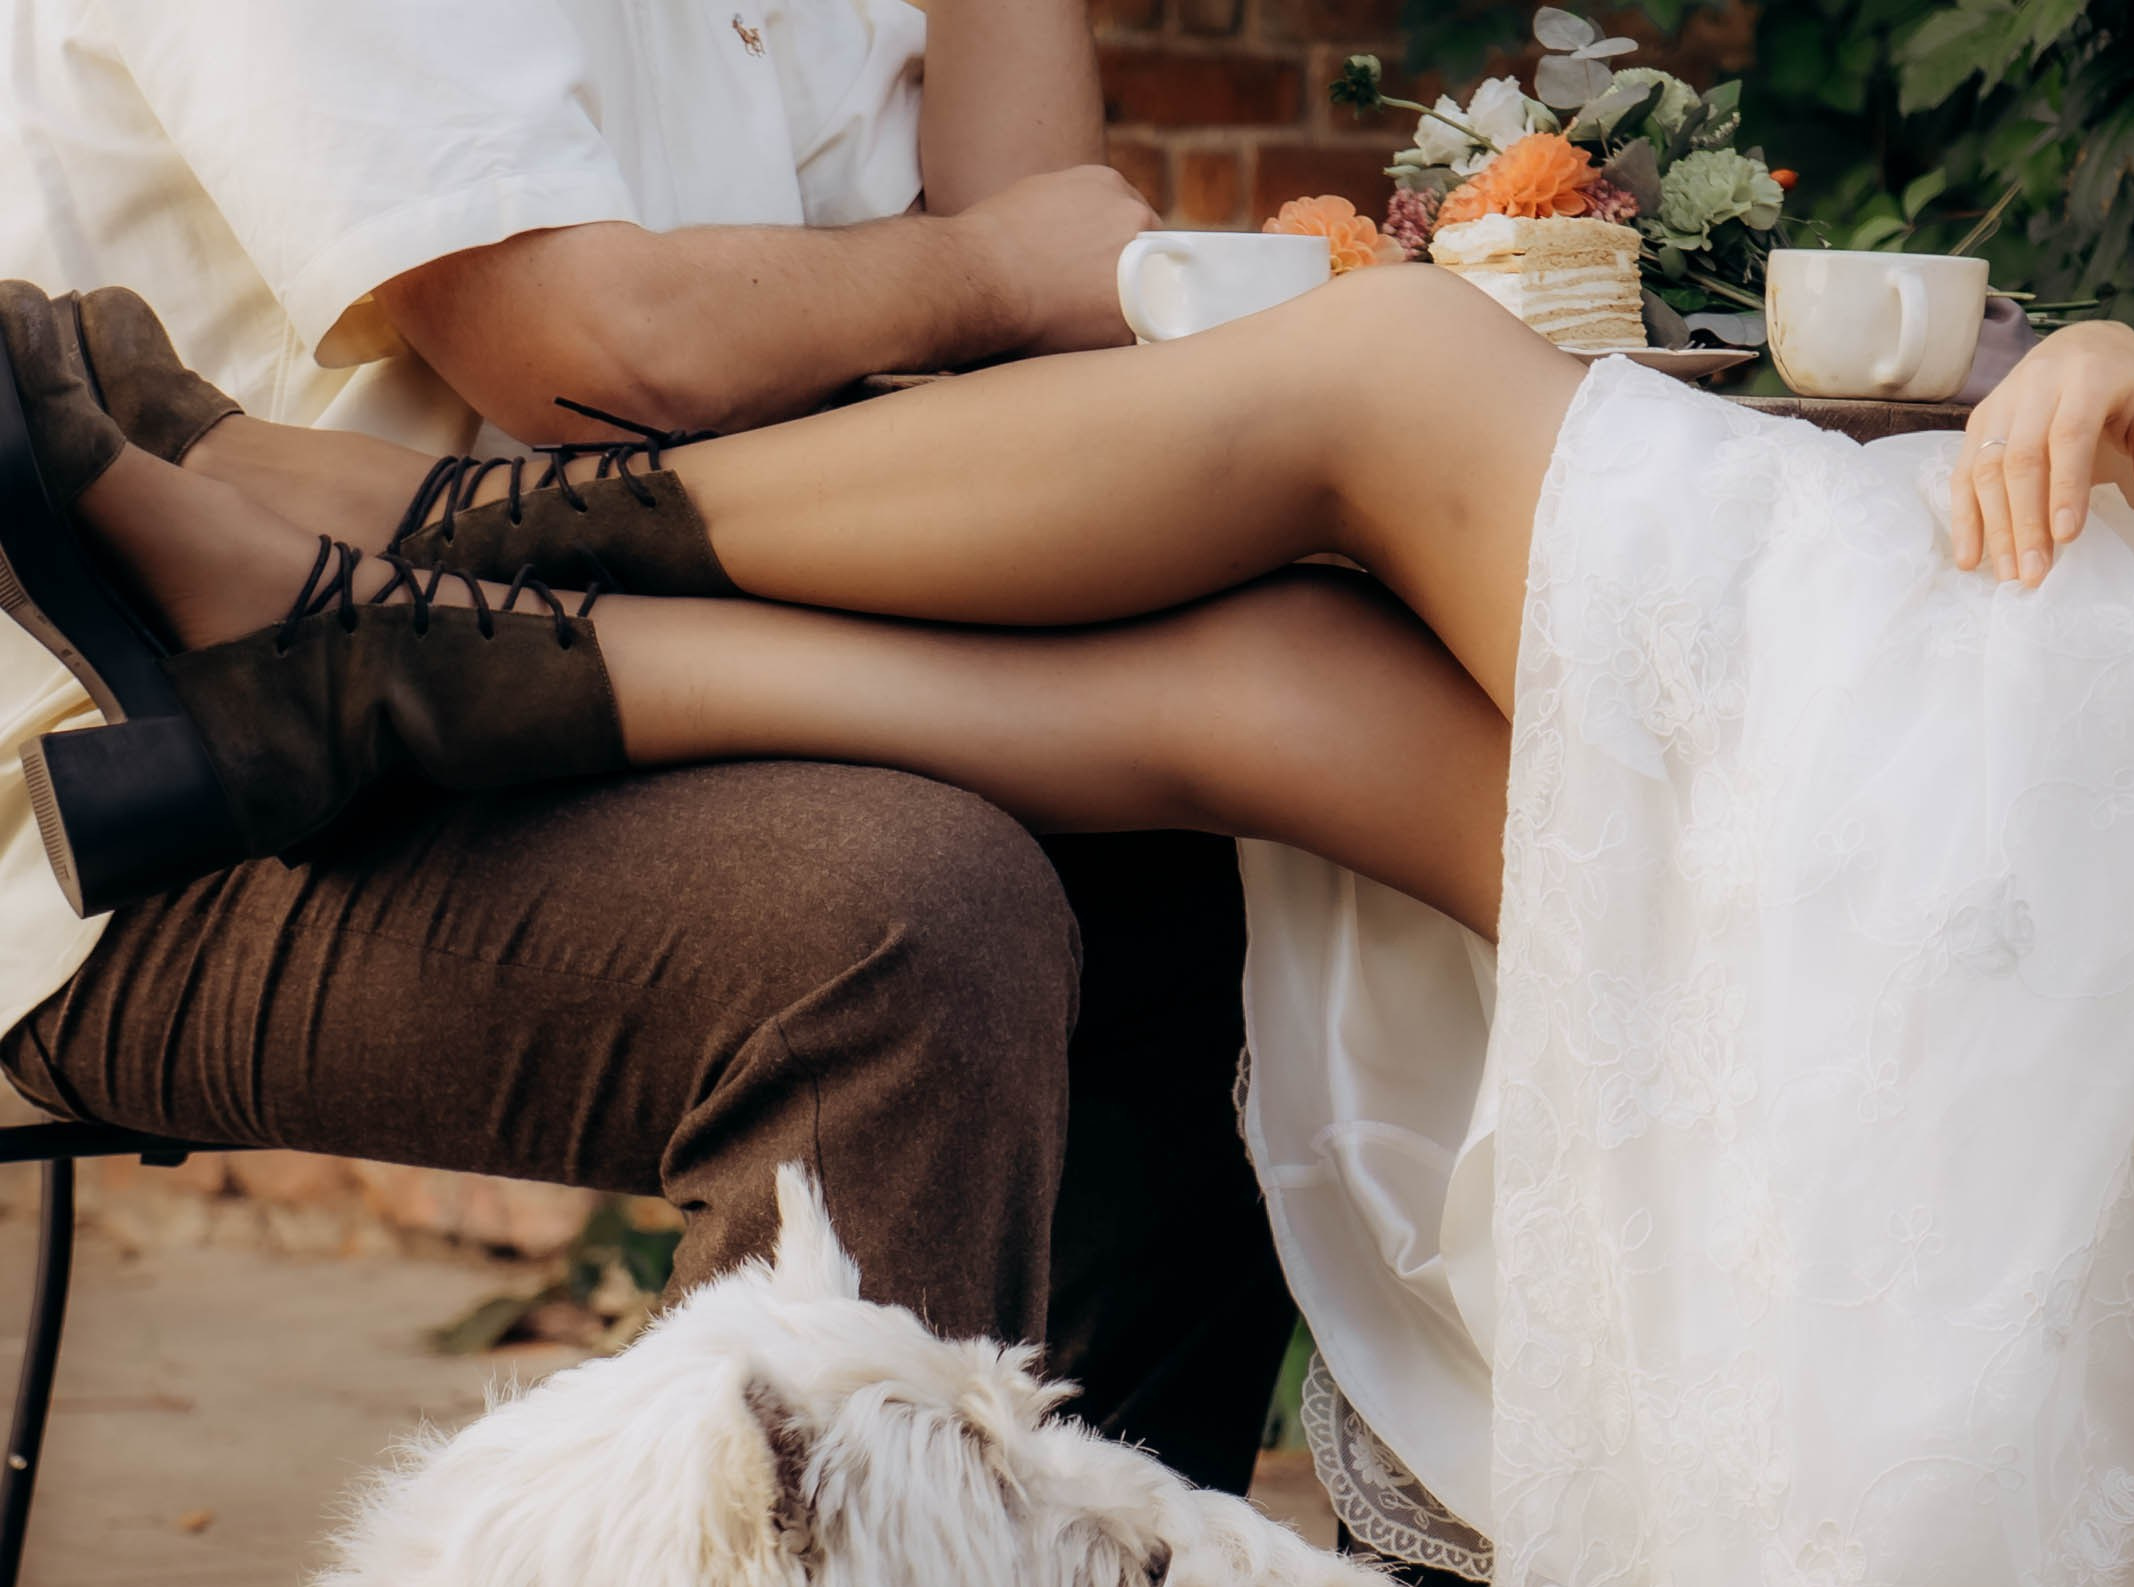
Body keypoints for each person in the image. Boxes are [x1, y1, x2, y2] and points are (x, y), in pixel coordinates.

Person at [9, 264, 2134, 1587]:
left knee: (1376, 417)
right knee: (1294, 656)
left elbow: (674, 324)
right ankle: (394, 630)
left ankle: (398, 603)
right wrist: (2121, 352)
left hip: (2059, 934)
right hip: (2077, 754)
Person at [0, 0, 1294, 1494]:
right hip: (162, 784)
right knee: (899, 920)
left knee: (1223, 896)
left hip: (628, 692)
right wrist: (989, 267)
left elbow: (1025, 362)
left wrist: (999, 258)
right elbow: (597, 346)